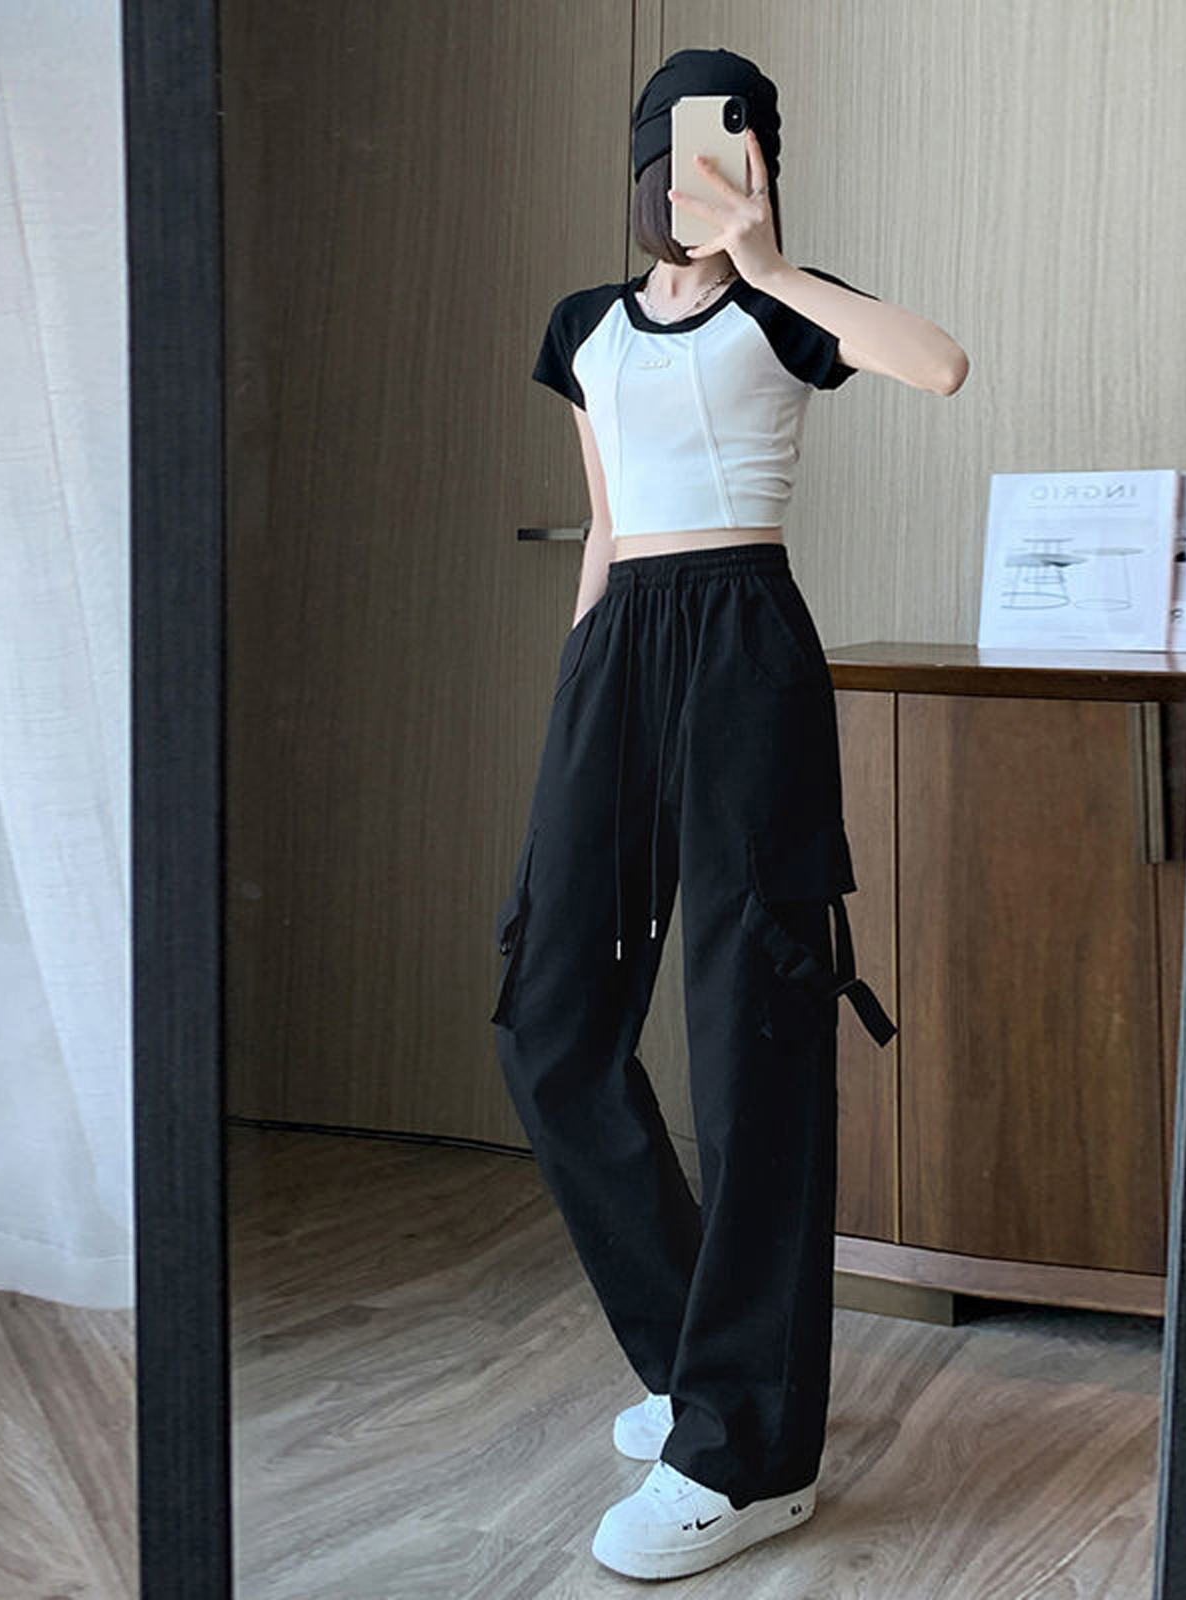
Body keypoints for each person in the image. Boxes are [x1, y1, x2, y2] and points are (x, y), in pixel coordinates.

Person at [490, 45, 968, 1581]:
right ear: (648, 162)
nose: (706, 171)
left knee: (753, 1030)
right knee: (550, 1018)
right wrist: (576, 705)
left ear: (761, 163)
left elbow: (940, 365)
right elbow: (607, 529)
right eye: (689, 148)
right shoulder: (584, 331)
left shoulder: (784, 307)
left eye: (739, 146)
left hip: (748, 643)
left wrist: (770, 262)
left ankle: (746, 1455)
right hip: (620, 648)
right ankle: (710, 1363)